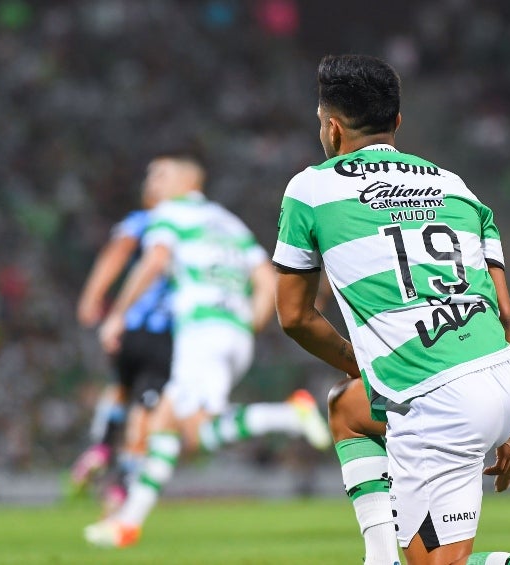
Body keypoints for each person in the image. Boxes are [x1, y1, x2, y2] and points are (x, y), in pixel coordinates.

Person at [274, 54, 510, 565]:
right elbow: (505, 315)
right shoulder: (455, 186)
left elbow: (294, 317)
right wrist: (507, 421)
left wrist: (369, 364)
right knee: (348, 409)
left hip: (436, 402)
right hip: (499, 377)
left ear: (332, 128)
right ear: (397, 122)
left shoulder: (310, 189)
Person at [84, 153, 331, 548]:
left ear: (185, 183)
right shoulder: (229, 223)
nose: (152, 182)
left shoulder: (171, 214)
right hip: (232, 334)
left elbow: (155, 260)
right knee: (172, 425)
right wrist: (247, 323)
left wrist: (117, 313)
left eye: (159, 175)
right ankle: (127, 523)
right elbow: (267, 279)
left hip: (200, 332)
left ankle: (287, 415)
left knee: (188, 431)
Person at [69, 179, 175, 515]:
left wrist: (92, 296)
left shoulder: (143, 221)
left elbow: (116, 252)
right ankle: (123, 482)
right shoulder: (188, 226)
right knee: (146, 408)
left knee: (119, 386)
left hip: (131, 325)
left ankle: (101, 447)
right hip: (169, 331)